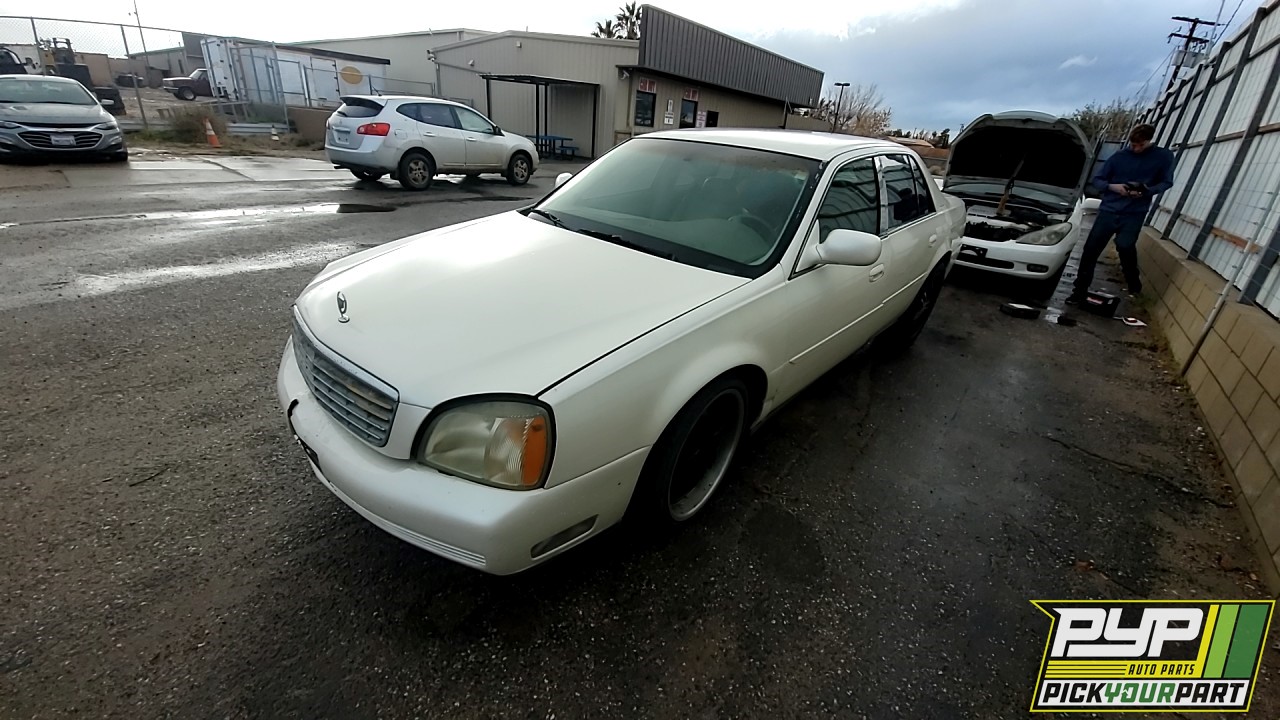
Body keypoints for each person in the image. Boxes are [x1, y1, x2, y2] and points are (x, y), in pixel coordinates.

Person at [1067, 123, 1176, 304]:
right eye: (1133, 145)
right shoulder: (1119, 157)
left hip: (1135, 211)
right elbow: (1098, 179)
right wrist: (1113, 187)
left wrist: (1146, 191)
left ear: (1150, 141)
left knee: (1125, 246)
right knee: (1090, 251)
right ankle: (1079, 291)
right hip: (1109, 209)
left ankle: (1134, 284)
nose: (1136, 149)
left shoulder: (1163, 157)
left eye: (1141, 145)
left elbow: (1166, 182)